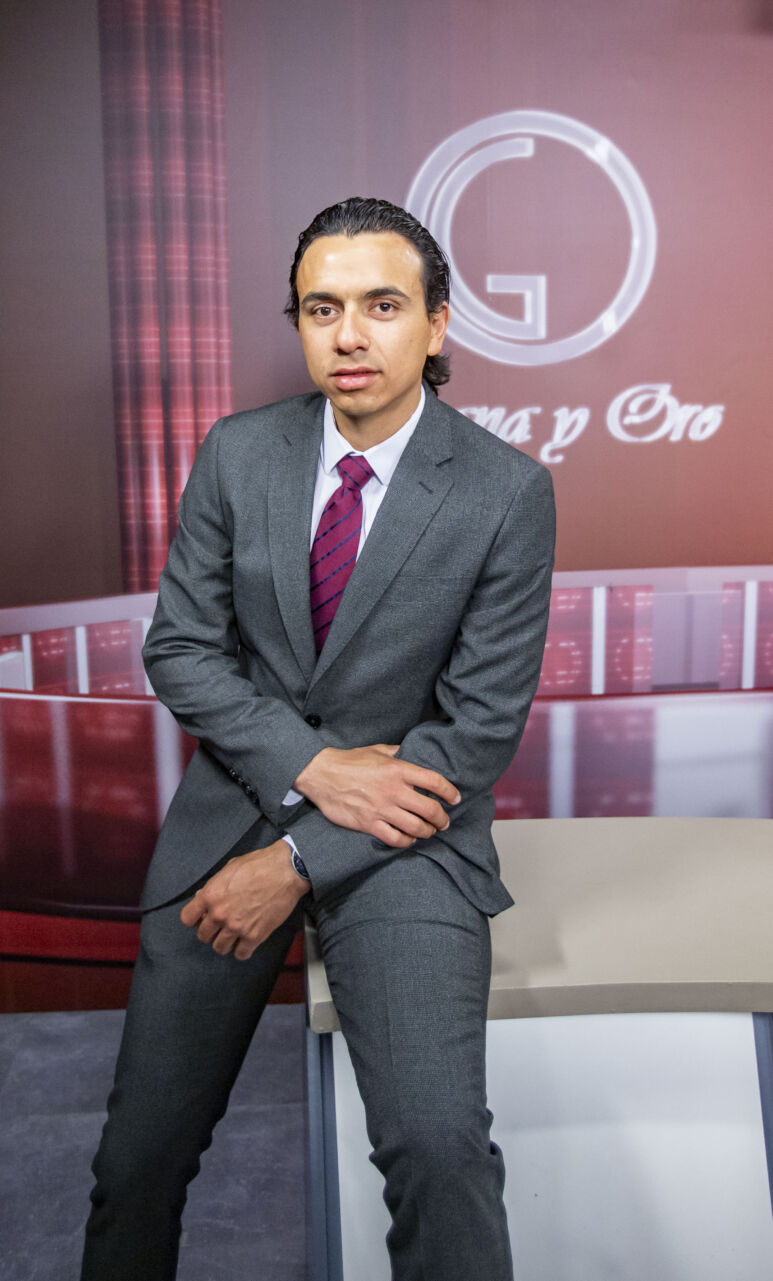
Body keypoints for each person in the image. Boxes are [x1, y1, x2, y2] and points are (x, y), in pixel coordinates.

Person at [81, 196, 556, 1280]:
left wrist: (295, 861)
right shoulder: (239, 453)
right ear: (297, 322)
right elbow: (180, 649)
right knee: (135, 1162)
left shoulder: (504, 492)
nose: (349, 335)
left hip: (404, 841)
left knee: (438, 1150)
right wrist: (308, 765)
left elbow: (473, 732)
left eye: (381, 306)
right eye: (321, 308)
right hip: (235, 812)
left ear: (436, 324)